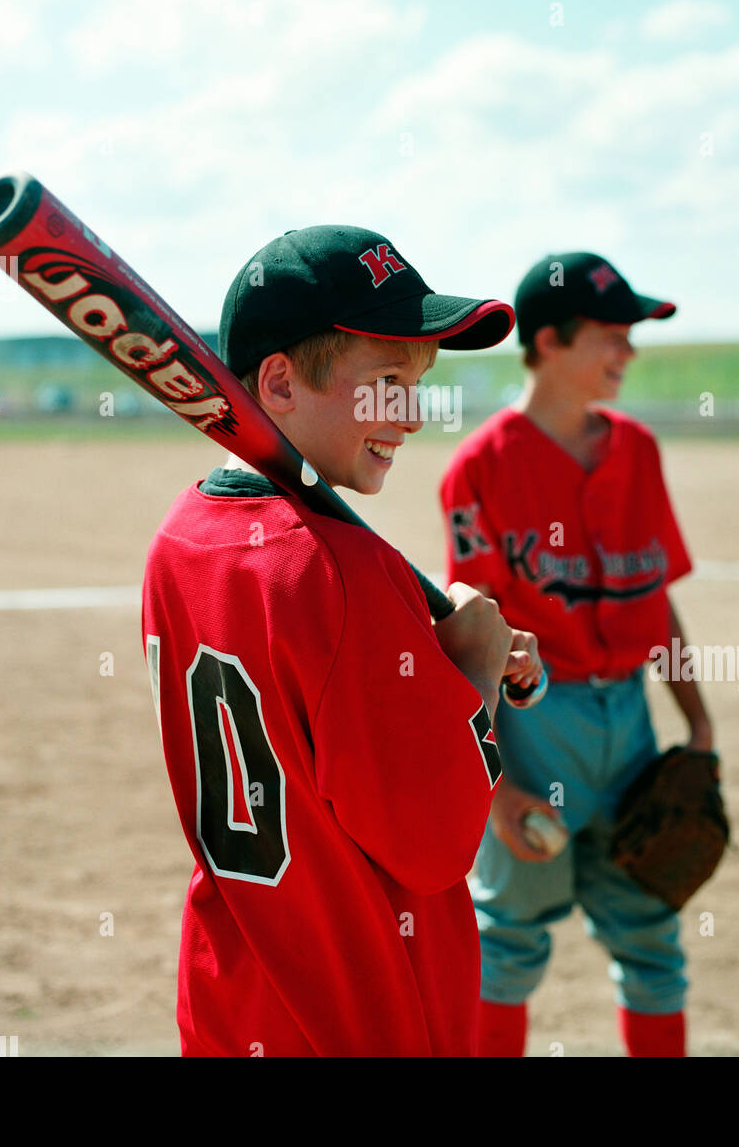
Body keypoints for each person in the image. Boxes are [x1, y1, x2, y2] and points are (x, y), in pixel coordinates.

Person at [141, 224, 541, 1056]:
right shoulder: (345, 568)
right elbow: (431, 845)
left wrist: (438, 655)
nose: (415, 415)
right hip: (365, 1008)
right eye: (389, 380)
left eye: (420, 383)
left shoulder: (180, 540)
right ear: (280, 381)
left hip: (236, 995)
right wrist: (470, 676)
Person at [438, 251, 714, 1058]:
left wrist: (697, 725)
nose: (626, 352)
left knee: (651, 933)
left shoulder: (636, 450)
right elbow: (472, 640)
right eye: (610, 334)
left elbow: (655, 599)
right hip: (531, 721)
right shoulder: (478, 469)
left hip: (627, 719)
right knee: (507, 939)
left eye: (631, 336)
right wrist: (496, 788)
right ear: (549, 340)